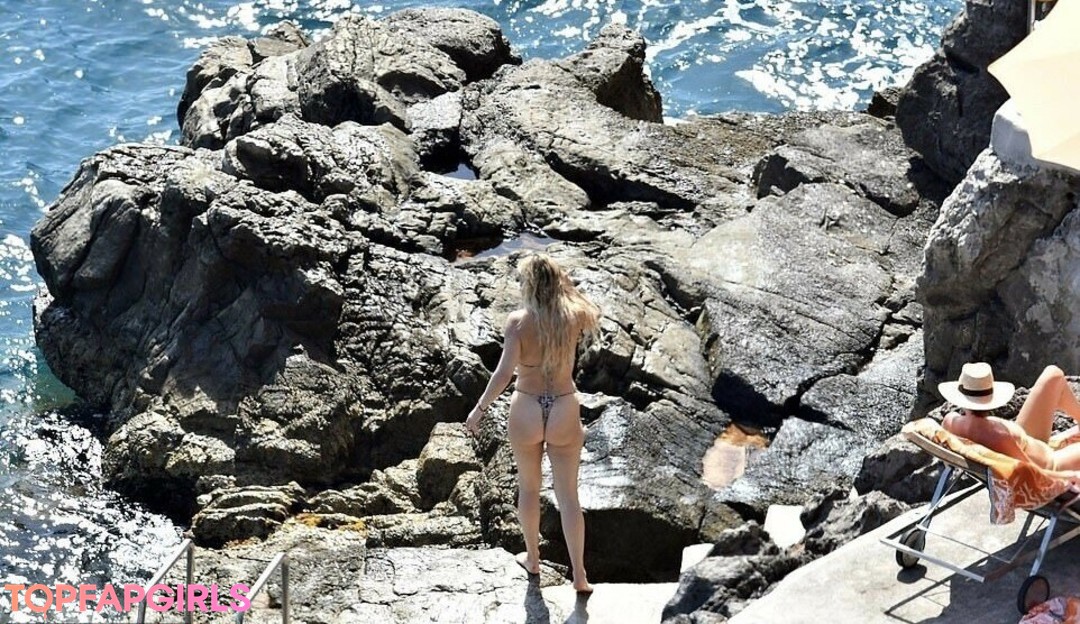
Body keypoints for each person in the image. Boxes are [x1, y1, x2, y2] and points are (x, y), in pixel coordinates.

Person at [465, 253, 601, 594]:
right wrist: (564, 283)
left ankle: (533, 558)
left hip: (526, 406)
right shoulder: (574, 316)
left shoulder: (518, 322)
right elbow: (590, 307)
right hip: (563, 406)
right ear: (557, 282)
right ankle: (579, 575)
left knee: (528, 489)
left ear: (528, 285)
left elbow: (503, 374)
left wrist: (479, 408)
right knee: (568, 497)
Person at [940, 362, 1080, 485]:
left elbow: (948, 462)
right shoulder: (999, 437)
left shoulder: (950, 423)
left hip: (1027, 442)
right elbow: (1033, 474)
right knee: (1054, 374)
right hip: (1051, 464)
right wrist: (1068, 477)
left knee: (1053, 375)